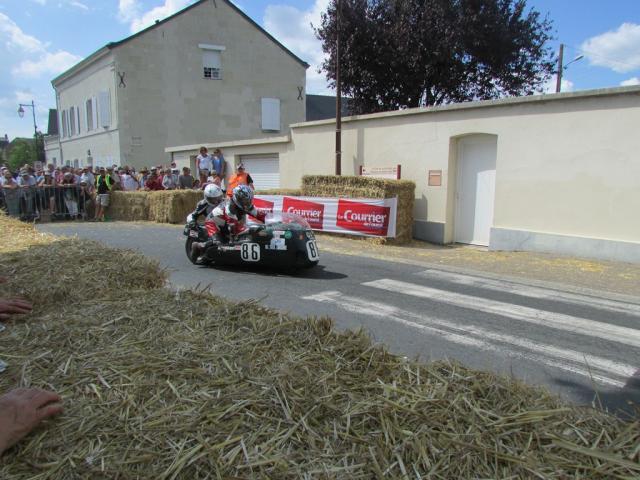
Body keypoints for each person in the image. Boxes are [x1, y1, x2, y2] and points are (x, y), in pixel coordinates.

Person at [190, 185, 265, 263]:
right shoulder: (230, 209)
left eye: (248, 200)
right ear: (237, 199)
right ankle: (198, 246)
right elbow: (234, 228)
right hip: (213, 223)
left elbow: (259, 214)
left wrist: (269, 220)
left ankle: (208, 255)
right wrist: (250, 230)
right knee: (219, 243)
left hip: (224, 223)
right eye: (244, 200)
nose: (247, 202)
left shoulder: (245, 205)